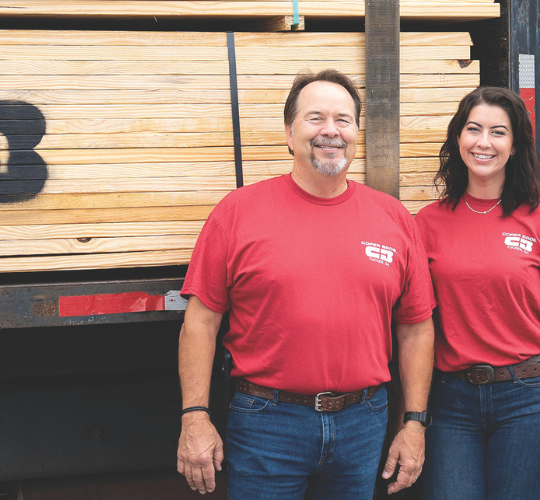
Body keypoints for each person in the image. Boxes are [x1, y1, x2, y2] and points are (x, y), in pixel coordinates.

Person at [176, 69, 435, 500]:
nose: (331, 131)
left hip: (363, 421)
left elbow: (416, 328)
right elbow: (200, 323)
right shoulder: (237, 212)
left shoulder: (394, 219)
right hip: (267, 421)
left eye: (344, 120)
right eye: (315, 118)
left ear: (357, 133)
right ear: (289, 133)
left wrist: (414, 423)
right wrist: (194, 417)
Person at [414, 86, 540, 500]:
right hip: (451, 400)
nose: (484, 142)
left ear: (514, 146)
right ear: (458, 139)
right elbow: (415, 326)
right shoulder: (427, 223)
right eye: (473, 129)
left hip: (528, 399)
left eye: (498, 132)